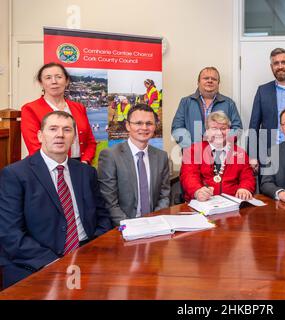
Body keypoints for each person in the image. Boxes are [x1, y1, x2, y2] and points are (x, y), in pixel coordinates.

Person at [0, 111, 112, 289]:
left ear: (73, 137)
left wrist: (92, 250)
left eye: (67, 130)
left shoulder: (86, 172)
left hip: (86, 255)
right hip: (36, 262)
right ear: (40, 135)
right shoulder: (15, 174)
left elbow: (103, 216)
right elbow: (9, 233)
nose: (60, 134)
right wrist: (53, 261)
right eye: (53, 129)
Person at [98, 104, 170, 226]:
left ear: (155, 126)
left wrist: (155, 221)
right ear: (127, 125)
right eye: (138, 123)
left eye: (149, 123)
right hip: (123, 227)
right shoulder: (110, 155)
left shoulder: (161, 156)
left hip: (155, 225)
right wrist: (129, 226)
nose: (144, 127)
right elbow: (109, 201)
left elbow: (164, 195)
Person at [21, 62, 97, 164]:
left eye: (59, 77)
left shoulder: (79, 107)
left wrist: (85, 162)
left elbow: (90, 141)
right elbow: (34, 145)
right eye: (48, 78)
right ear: (41, 83)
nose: (54, 81)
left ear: (66, 81)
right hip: (48, 167)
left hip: (81, 165)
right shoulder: (30, 109)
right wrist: (61, 166)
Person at [180, 111, 255, 202]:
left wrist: (244, 188)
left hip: (233, 204)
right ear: (207, 131)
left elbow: (247, 176)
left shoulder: (240, 153)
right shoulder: (193, 151)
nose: (219, 133)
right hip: (202, 203)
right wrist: (197, 191)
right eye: (214, 128)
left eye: (223, 128)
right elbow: (189, 175)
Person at [171, 67, 242, 149]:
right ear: (198, 82)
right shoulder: (186, 102)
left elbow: (237, 129)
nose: (210, 81)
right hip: (192, 156)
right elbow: (177, 128)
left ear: (218, 83)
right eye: (206, 78)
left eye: (214, 79)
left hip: (221, 155)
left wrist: (221, 145)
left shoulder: (229, 103)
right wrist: (192, 148)